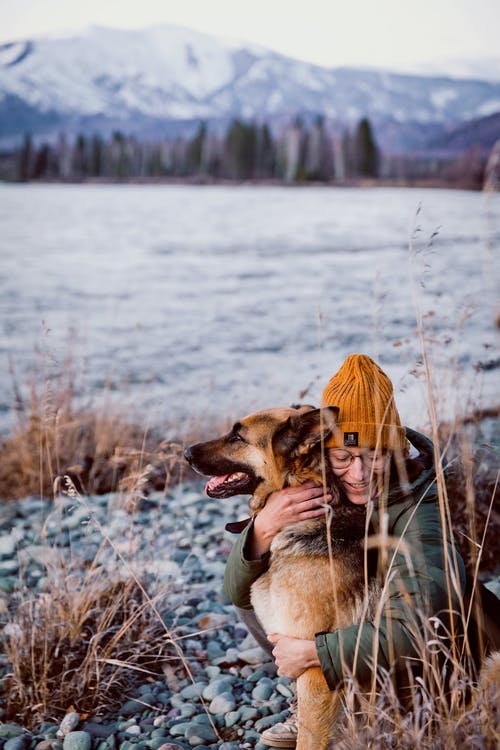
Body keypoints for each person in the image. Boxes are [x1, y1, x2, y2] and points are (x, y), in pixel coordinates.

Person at [223, 353, 469, 749]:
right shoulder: (319, 493)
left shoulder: (420, 515)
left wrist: (314, 653)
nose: (357, 474)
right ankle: (327, 701)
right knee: (257, 579)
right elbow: (235, 593)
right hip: (363, 648)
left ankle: (368, 708)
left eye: (374, 457)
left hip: (436, 671)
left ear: (398, 453)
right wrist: (264, 528)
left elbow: (416, 628)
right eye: (343, 457)